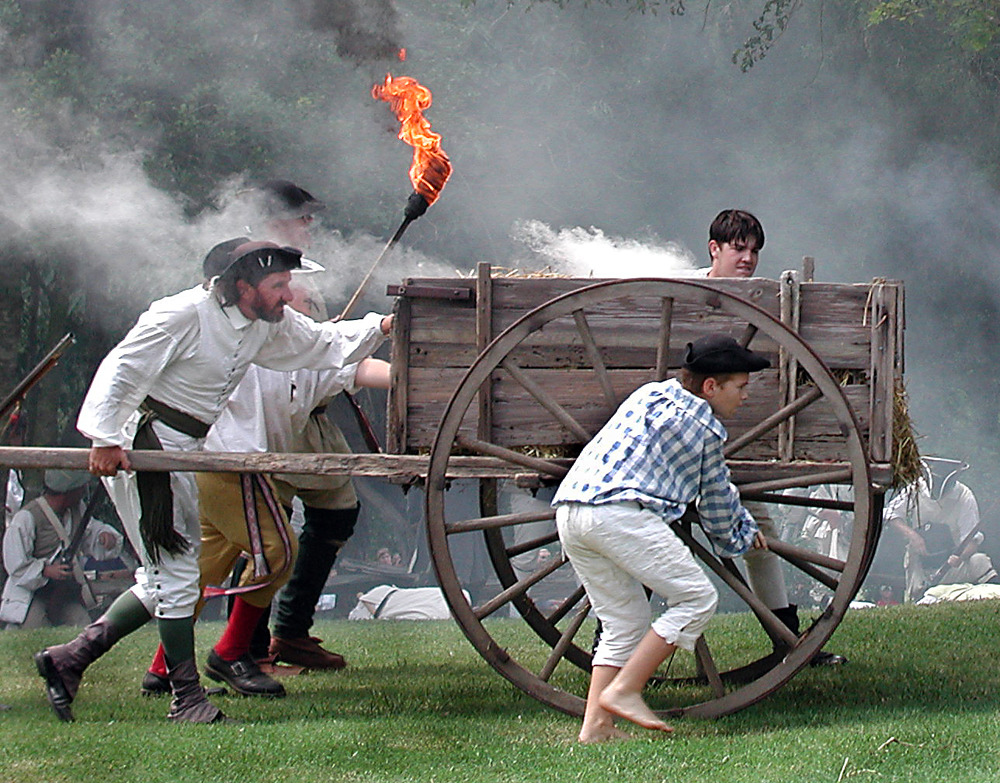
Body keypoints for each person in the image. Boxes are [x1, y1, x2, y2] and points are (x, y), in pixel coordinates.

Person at [34, 238, 392, 723]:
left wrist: (383, 325)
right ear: (242, 286)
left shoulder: (263, 324)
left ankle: (71, 657)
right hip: (145, 448)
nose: (287, 295)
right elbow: (122, 367)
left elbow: (319, 343)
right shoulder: (181, 313)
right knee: (178, 572)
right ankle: (186, 698)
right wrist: (102, 437)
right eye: (278, 285)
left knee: (164, 576)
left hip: (185, 450)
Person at [140, 258, 390, 695]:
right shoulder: (246, 346)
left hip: (241, 468)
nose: (300, 308)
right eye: (296, 301)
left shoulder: (305, 355)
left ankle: (137, 664)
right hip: (228, 465)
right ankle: (233, 652)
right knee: (275, 551)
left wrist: (427, 376)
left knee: (201, 569)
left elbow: (353, 363)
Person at [552, 334, 770, 742]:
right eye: (740, 386)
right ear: (711, 387)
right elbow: (717, 503)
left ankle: (596, 727)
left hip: (572, 511)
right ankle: (626, 689)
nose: (745, 396)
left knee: (624, 620)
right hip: (620, 516)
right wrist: (744, 535)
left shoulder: (649, 395)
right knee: (698, 598)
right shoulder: (704, 428)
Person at [691, 209, 845, 665]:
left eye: (754, 250)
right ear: (714, 249)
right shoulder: (684, 291)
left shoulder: (771, 300)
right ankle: (613, 643)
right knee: (646, 529)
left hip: (737, 441)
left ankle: (786, 639)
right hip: (678, 445)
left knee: (762, 530)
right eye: (738, 249)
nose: (748, 259)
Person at [1, 470, 122, 628]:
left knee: (81, 623)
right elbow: (15, 564)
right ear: (68, 492)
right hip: (32, 594)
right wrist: (45, 570)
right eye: (80, 488)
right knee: (36, 627)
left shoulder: (77, 510)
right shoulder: (26, 518)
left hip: (64, 591)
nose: (83, 490)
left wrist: (105, 537)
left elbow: (90, 532)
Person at [884, 457, 996, 602]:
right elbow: (889, 513)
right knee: (912, 552)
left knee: (979, 561)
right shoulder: (916, 488)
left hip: (952, 566)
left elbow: (972, 542)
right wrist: (913, 536)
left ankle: (994, 600)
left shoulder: (964, 497)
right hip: (922, 563)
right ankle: (917, 598)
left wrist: (959, 557)